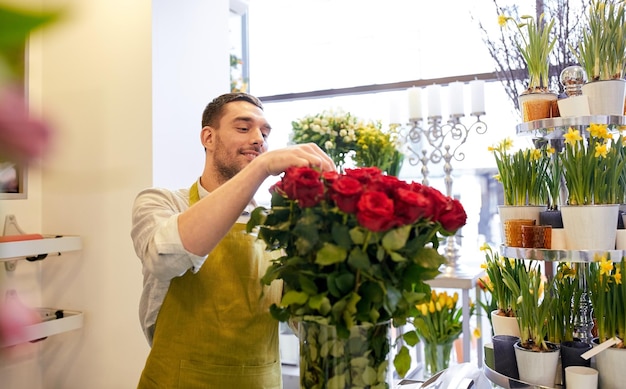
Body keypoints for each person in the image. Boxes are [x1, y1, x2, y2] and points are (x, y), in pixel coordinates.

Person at [130, 92, 335, 388]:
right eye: (243, 128)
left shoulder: (277, 224)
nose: (258, 139)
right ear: (208, 138)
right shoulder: (161, 203)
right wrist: (261, 167)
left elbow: (304, 319)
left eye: (264, 133)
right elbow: (164, 257)